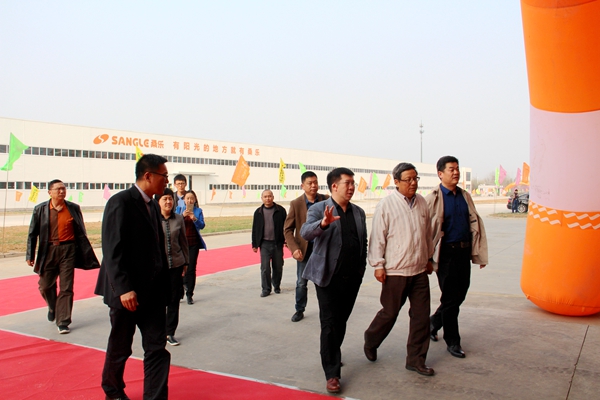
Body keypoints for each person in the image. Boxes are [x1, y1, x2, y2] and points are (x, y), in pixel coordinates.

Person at [95, 154, 171, 400]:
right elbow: (112, 249)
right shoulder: (121, 202)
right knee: (120, 347)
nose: (167, 180)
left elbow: (156, 249)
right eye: (164, 176)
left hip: (153, 293)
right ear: (148, 175)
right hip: (127, 293)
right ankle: (113, 392)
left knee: (157, 348)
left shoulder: (153, 205)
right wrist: (123, 288)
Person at [363, 163, 435, 376]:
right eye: (408, 179)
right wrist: (378, 265)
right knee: (390, 313)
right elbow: (378, 237)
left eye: (415, 179)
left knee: (421, 317)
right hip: (396, 271)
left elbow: (427, 233)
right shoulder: (386, 205)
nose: (413, 183)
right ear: (396, 181)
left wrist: (428, 258)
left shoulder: (422, 202)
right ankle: (371, 339)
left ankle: (416, 360)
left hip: (419, 270)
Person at [300, 167, 367, 394]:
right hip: (327, 277)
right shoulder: (319, 209)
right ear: (334, 186)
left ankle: (332, 353)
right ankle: (332, 373)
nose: (352, 187)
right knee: (329, 323)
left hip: (352, 277)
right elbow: (305, 232)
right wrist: (323, 224)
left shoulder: (358, 212)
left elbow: (363, 242)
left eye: (353, 183)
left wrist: (361, 269)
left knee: (341, 321)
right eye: (348, 183)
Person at [426, 155, 488, 359]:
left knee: (460, 294)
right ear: (440, 174)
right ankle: (453, 341)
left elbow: (474, 225)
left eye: (457, 169)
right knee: (451, 298)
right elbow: (426, 230)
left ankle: (433, 322)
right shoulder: (433, 198)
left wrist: (478, 253)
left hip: (463, 252)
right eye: (451, 169)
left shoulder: (465, 196)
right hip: (446, 254)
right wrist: (427, 258)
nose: (456, 173)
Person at [26, 179, 99, 334]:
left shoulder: (73, 208)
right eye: (58, 189)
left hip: (68, 250)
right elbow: (32, 234)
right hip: (48, 250)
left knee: (66, 287)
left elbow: (81, 232)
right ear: (49, 192)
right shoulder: (40, 209)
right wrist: (30, 254)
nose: (61, 191)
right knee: (45, 285)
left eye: (63, 189)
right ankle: (53, 307)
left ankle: (63, 321)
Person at [283, 171, 328, 322]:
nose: (313, 185)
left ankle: (326, 310)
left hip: (322, 250)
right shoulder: (296, 204)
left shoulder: (326, 200)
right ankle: (299, 309)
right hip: (304, 250)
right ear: (302, 186)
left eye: (316, 182)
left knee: (323, 282)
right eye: (310, 183)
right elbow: (288, 229)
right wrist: (294, 248)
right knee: (301, 283)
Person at [156, 188, 189, 346]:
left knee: (174, 299)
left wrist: (186, 262)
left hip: (176, 264)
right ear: (158, 202)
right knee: (159, 300)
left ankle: (170, 332)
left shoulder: (178, 219)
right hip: (158, 267)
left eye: (170, 199)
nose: (168, 202)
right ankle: (158, 331)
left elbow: (183, 242)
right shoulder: (153, 219)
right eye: (165, 199)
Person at [251, 189, 287, 297]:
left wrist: (287, 240)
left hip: (277, 243)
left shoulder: (280, 210)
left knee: (278, 266)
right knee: (265, 268)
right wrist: (254, 244)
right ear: (262, 198)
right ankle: (266, 289)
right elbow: (255, 228)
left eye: (269, 196)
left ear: (273, 197)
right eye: (265, 197)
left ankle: (276, 285)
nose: (268, 198)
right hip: (264, 244)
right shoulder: (258, 212)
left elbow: (286, 227)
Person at [175, 190, 207, 304]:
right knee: (179, 268)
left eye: (192, 198)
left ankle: (190, 294)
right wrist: (182, 216)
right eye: (187, 198)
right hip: (181, 244)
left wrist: (194, 219)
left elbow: (202, 225)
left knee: (191, 269)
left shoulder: (198, 211)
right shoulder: (179, 210)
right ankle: (180, 292)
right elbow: (175, 224)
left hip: (193, 243)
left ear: (195, 200)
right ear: (184, 200)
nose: (189, 200)